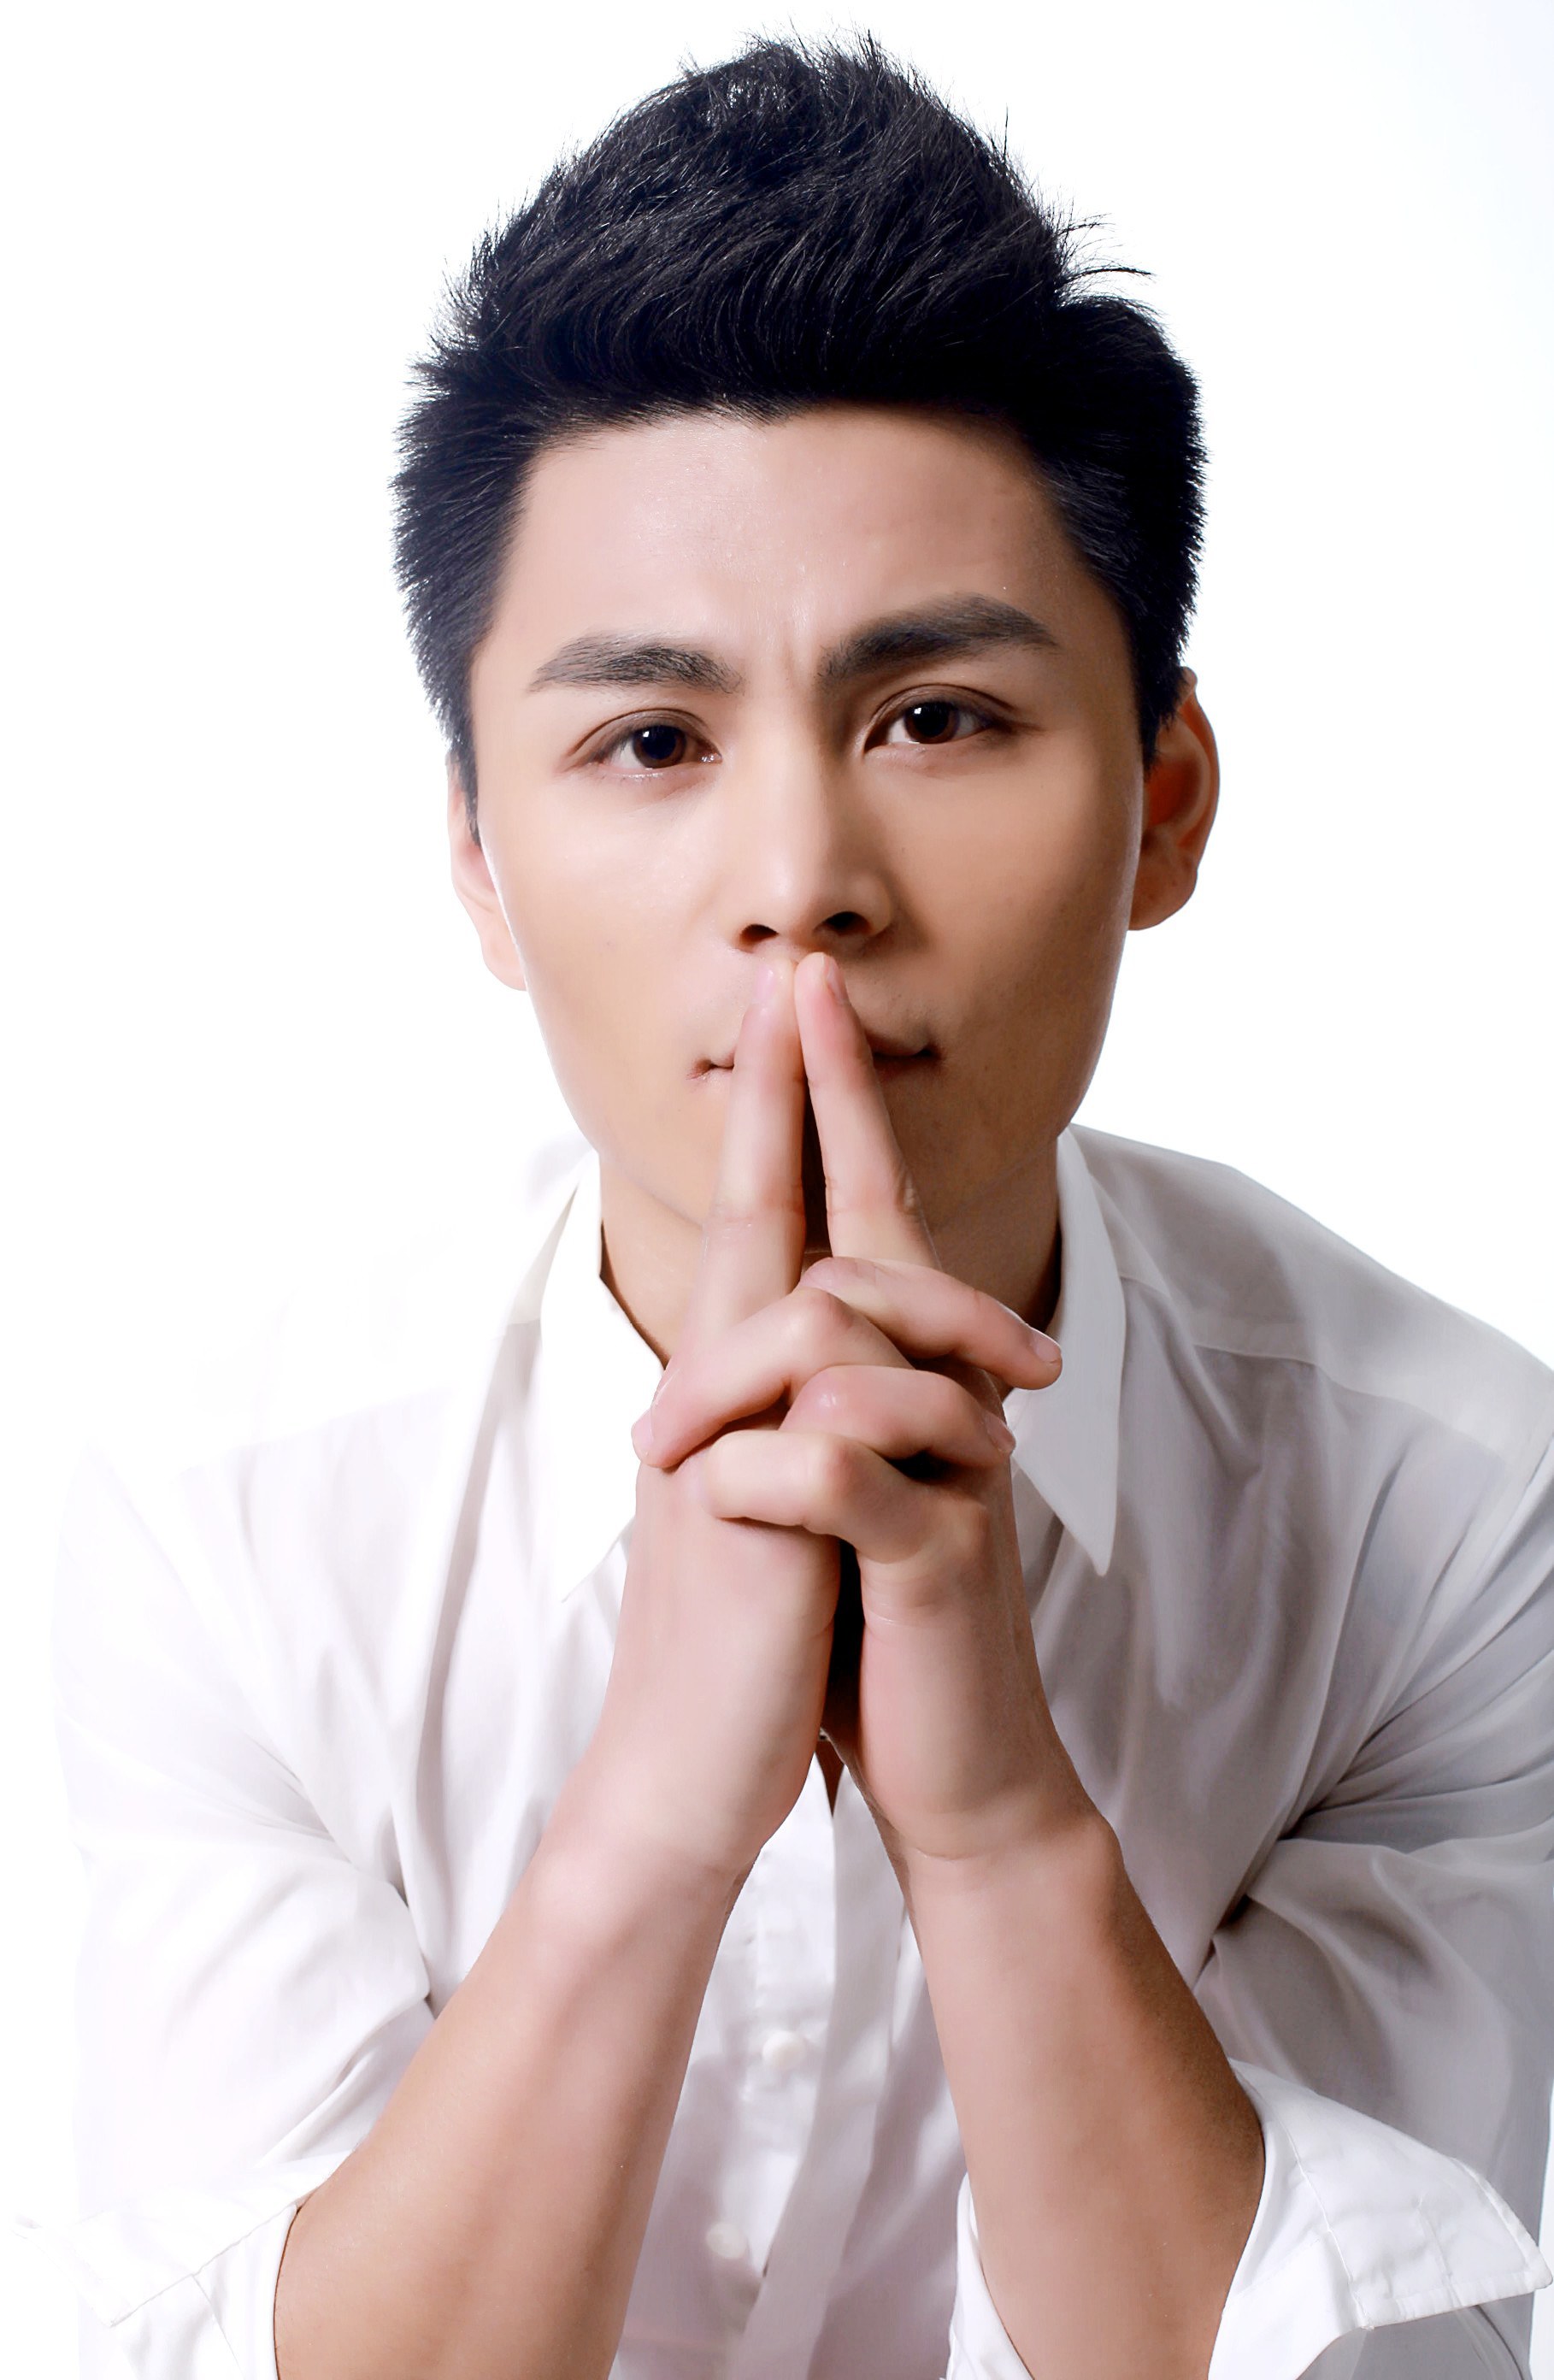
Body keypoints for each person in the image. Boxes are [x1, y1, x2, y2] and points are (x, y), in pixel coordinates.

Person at [21, 34, 1553, 2380]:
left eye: (934, 716)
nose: (799, 883)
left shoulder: (1447, 1506)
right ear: (480, 863)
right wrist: (652, 1814)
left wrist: (1001, 1819)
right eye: (649, 741)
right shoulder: (226, 1515)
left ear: (1163, 803)